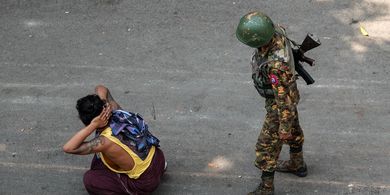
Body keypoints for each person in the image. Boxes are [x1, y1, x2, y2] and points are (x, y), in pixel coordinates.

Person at [236, 12, 307, 195]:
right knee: (294, 129)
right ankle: (297, 164)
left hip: (279, 103)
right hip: (289, 95)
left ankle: (266, 189)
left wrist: (283, 127)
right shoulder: (277, 32)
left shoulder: (275, 67)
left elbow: (283, 101)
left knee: (265, 147)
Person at [63, 85, 166, 195]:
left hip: (145, 182)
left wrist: (92, 126)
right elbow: (101, 88)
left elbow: (68, 148)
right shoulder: (115, 109)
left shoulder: (104, 142)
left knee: (90, 179)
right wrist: (104, 102)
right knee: (99, 159)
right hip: (158, 159)